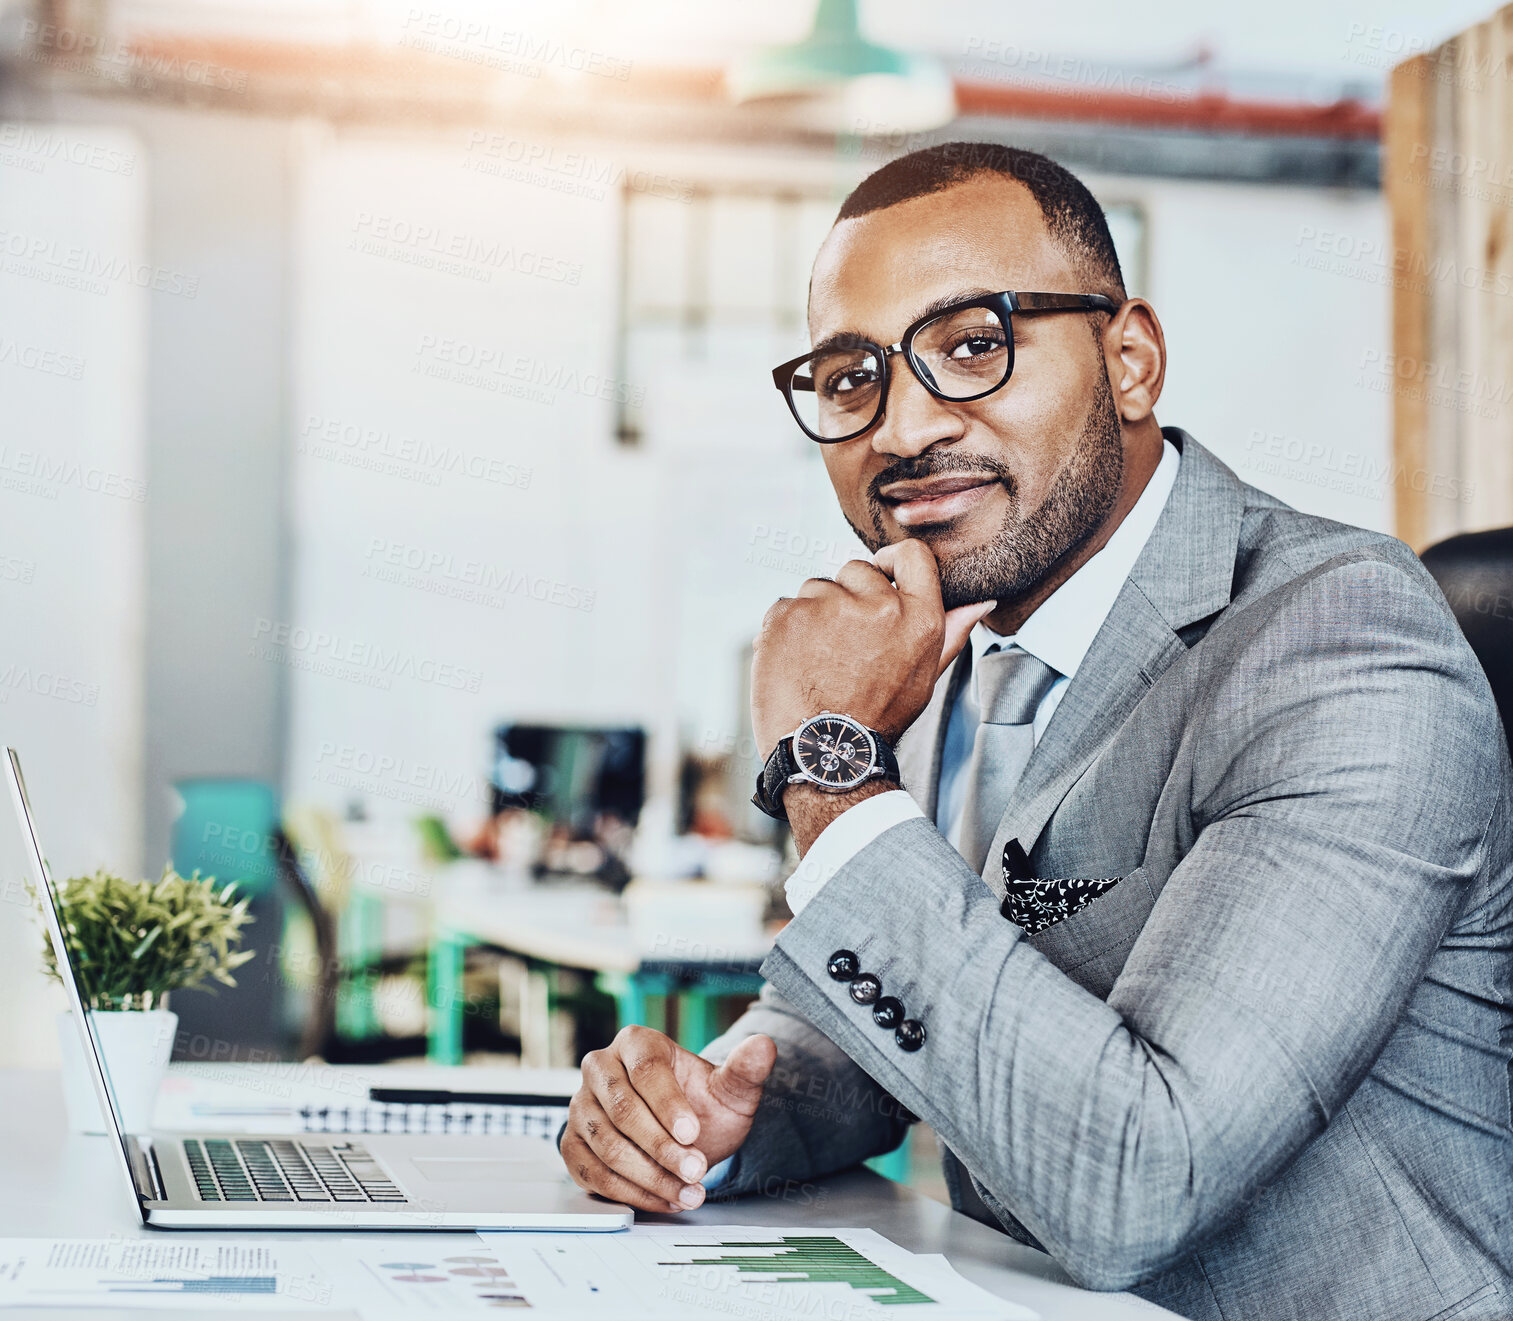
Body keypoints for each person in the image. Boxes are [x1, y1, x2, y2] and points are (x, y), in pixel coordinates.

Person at [559, 142, 1513, 1321]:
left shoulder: (1337, 640)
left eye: (972, 345)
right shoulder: (946, 643)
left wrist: (827, 767)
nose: (902, 429)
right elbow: (883, 1030)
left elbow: (1138, 1176)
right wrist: (722, 1111)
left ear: (1130, 360)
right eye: (850, 377)